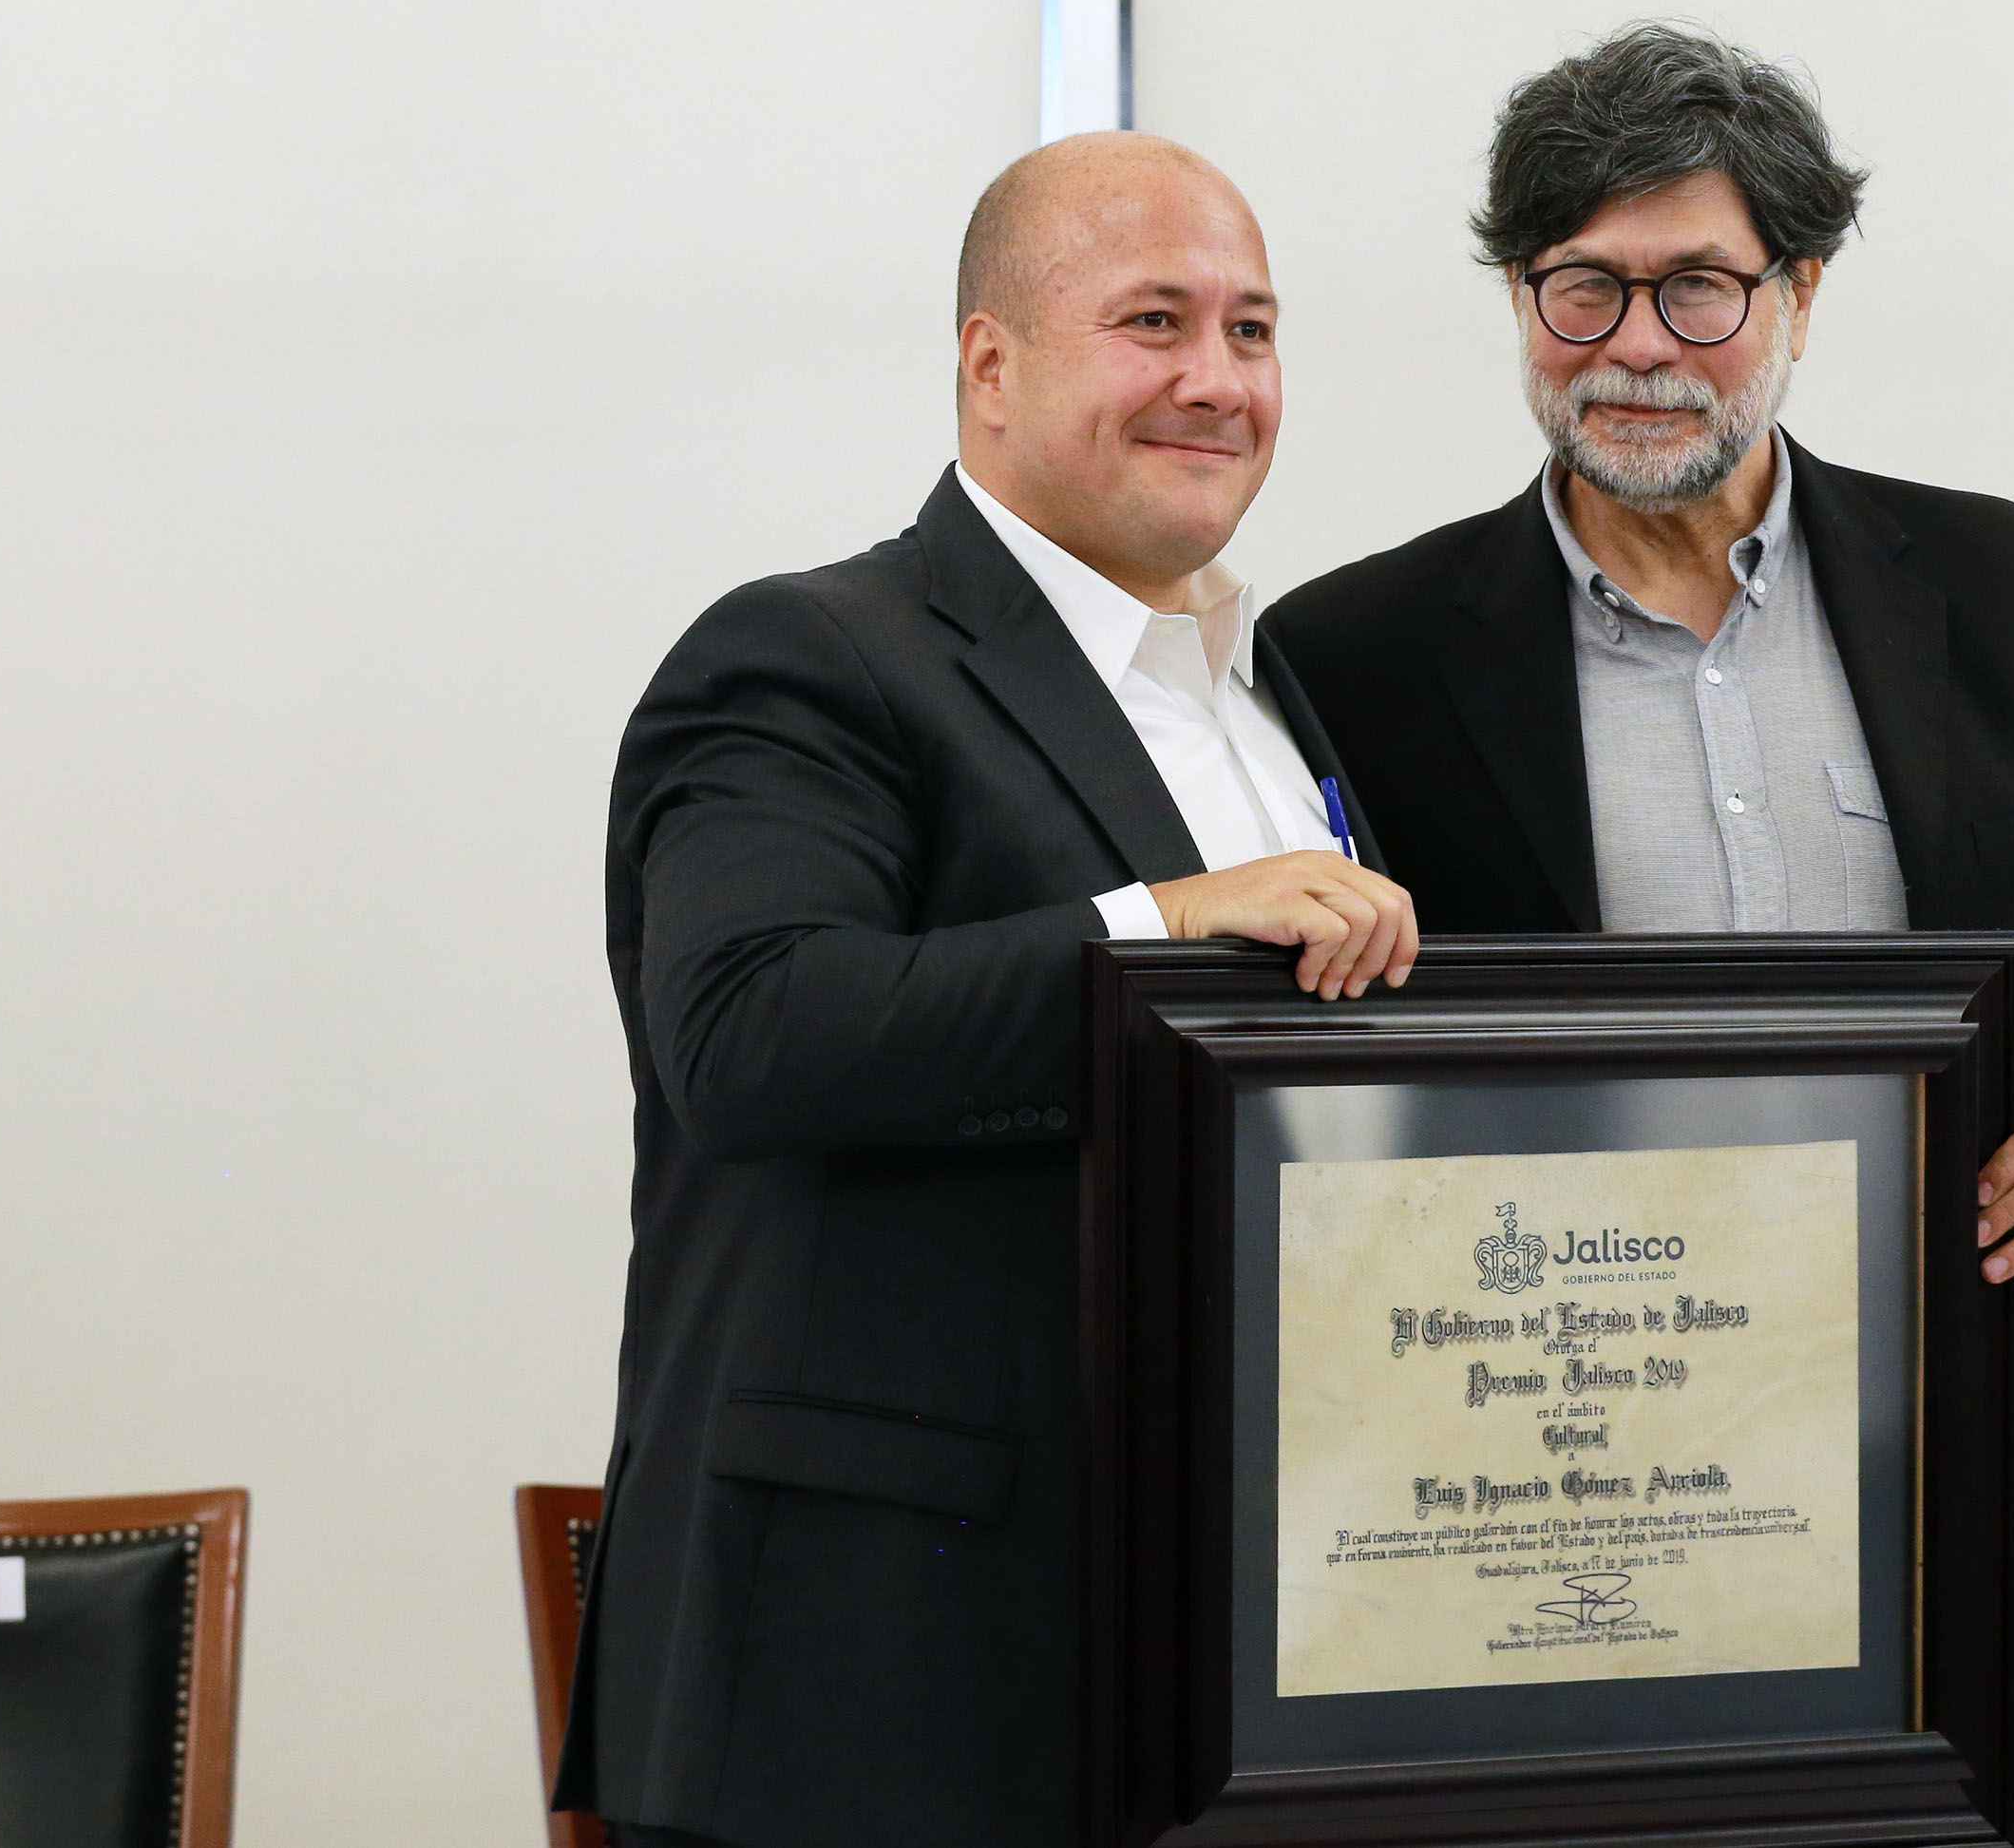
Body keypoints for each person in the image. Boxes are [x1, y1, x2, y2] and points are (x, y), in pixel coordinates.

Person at [1263, 24, 2014, 1819]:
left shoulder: (2012, 594)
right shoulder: (1354, 656)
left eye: (1696, 286)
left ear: (1800, 293)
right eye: (1580, 286)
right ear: (1517, 298)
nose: (1634, 345)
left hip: (1924, 1467)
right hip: (1526, 1510)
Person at [562, 133, 1419, 1848]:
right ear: (990, 364)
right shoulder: (809, 654)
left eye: (1251, 329)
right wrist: (1166, 928)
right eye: (1154, 320)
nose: (1218, 377)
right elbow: (751, 1032)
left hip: (1238, 1661)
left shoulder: (1269, 701)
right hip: (879, 1688)